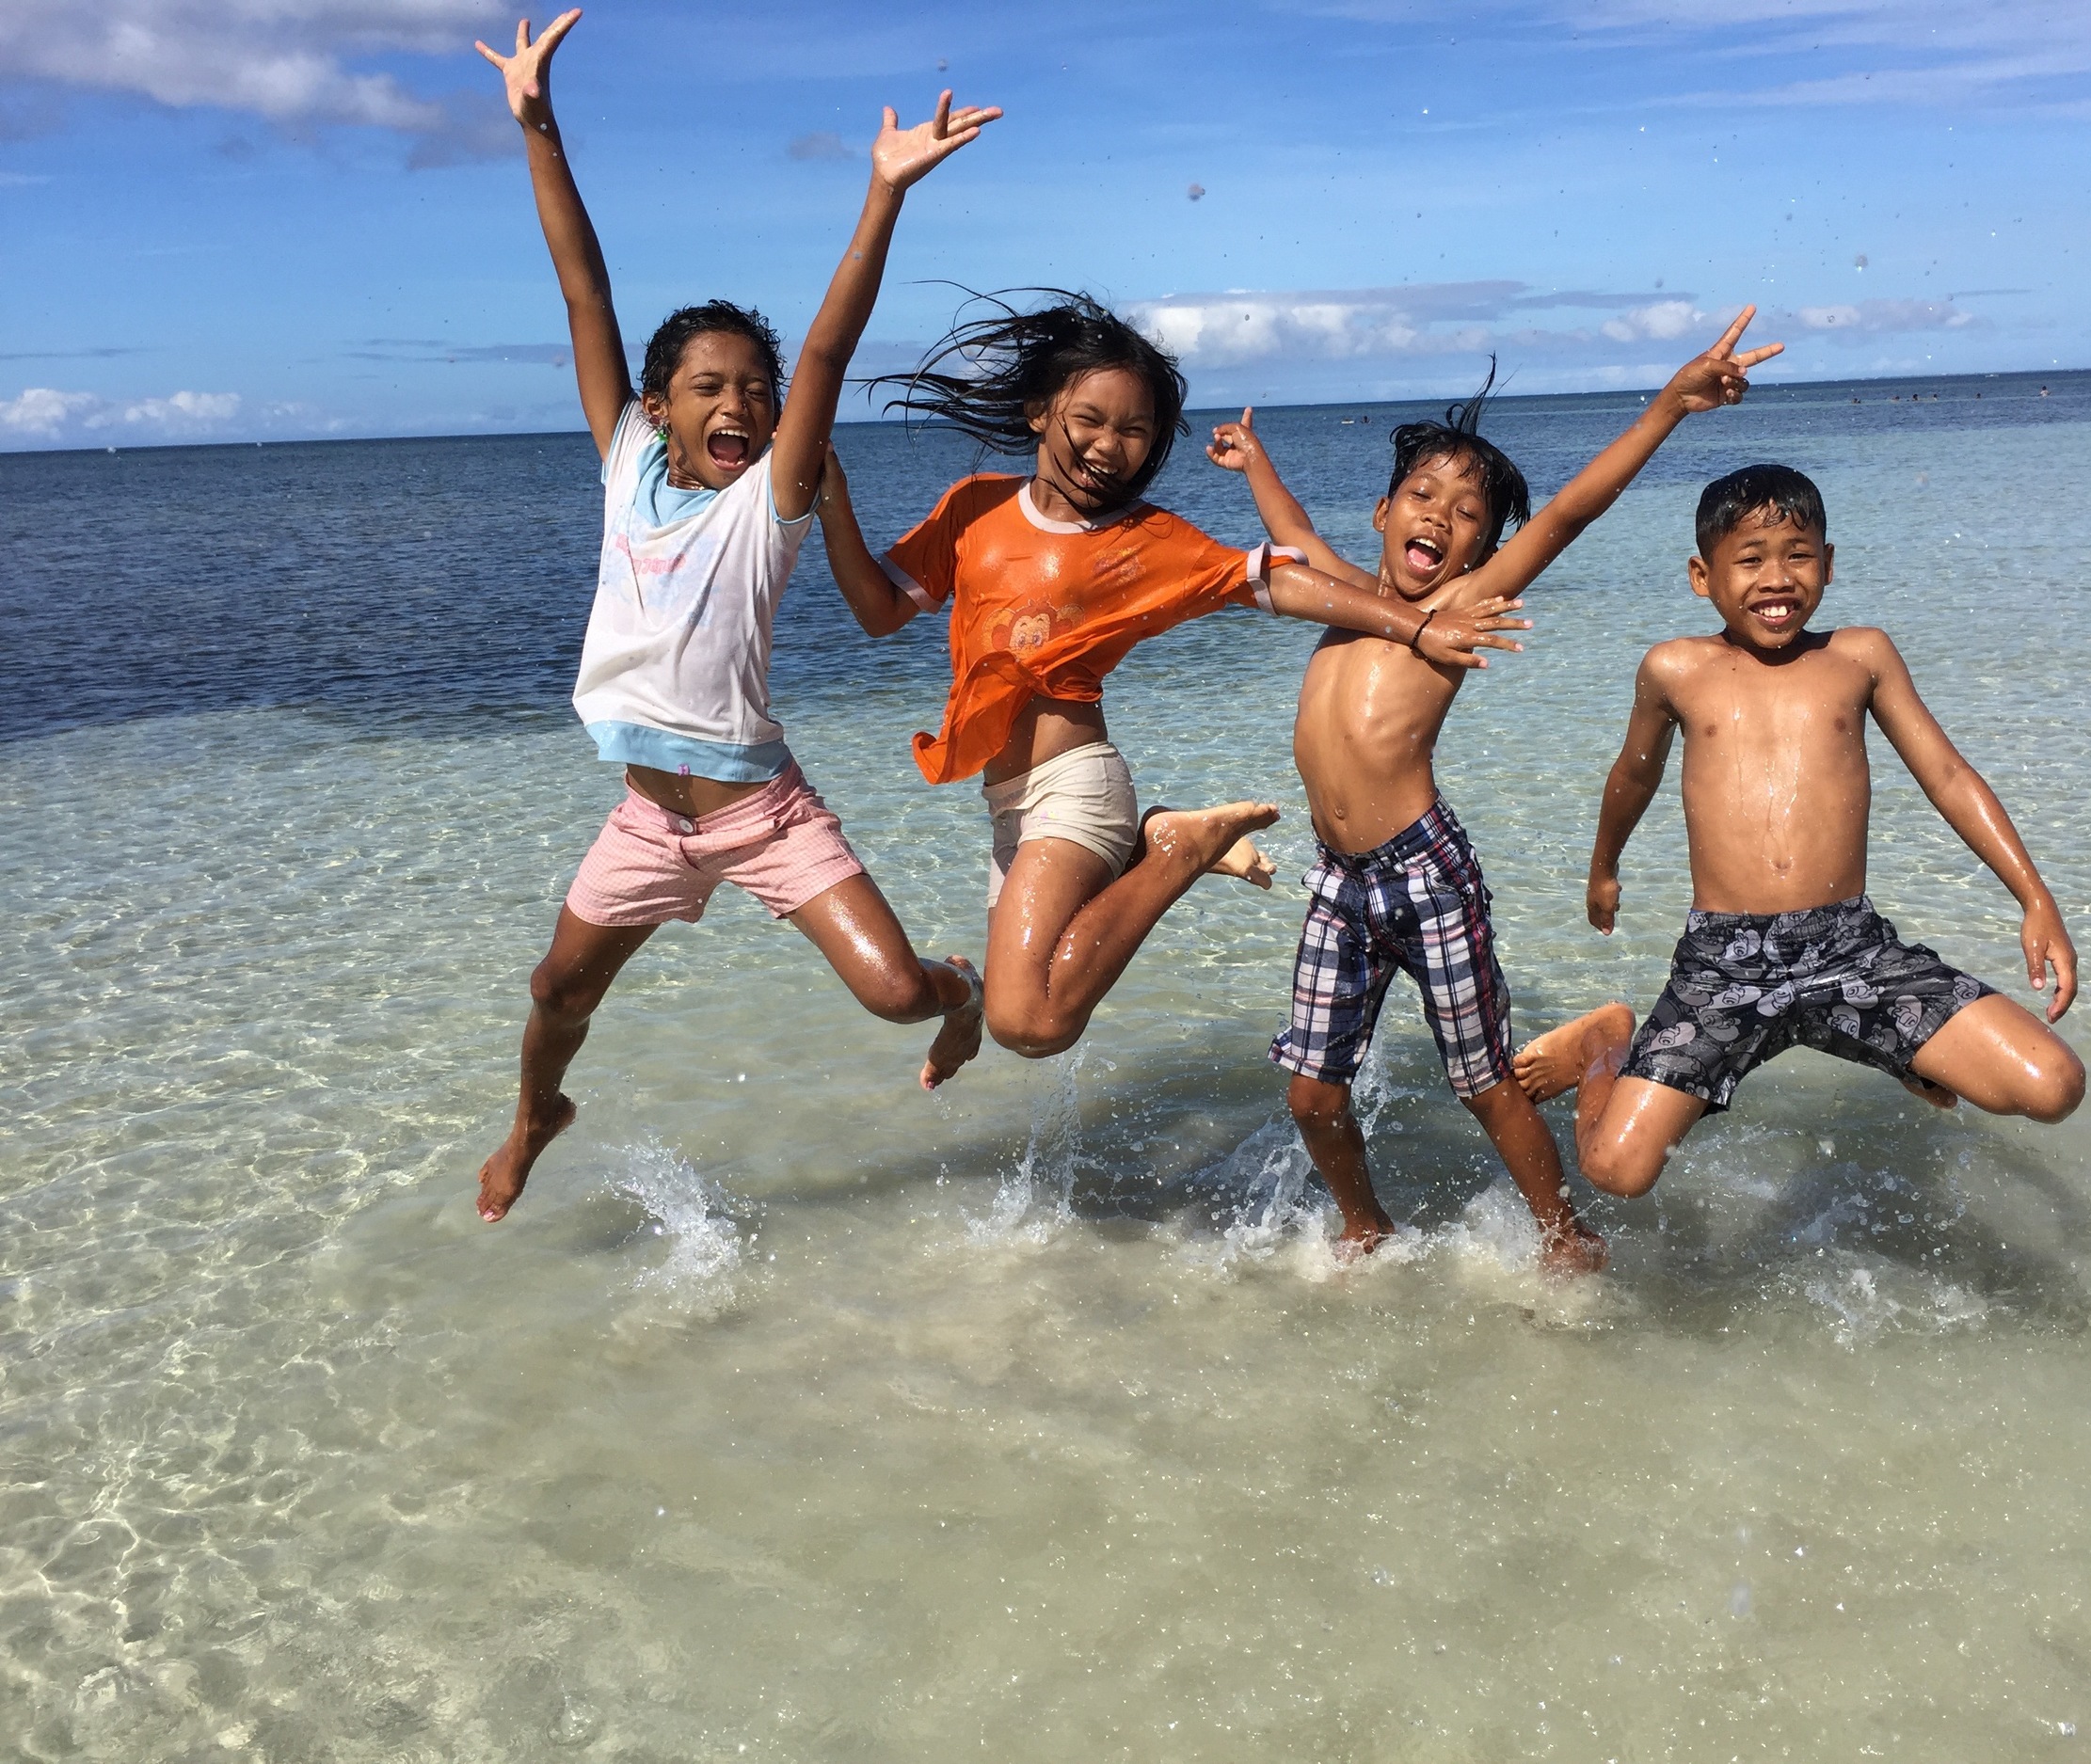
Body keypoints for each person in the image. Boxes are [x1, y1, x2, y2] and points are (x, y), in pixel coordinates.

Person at [471, 11, 1000, 1222]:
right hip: (648, 819)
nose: (741, 404)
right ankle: (535, 1115)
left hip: (761, 811)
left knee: (892, 996)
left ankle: (957, 989)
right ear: (659, 408)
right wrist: (539, 124)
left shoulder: (773, 500)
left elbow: (826, 345)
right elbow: (583, 286)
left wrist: (883, 198)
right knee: (557, 994)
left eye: (754, 393)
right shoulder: (625, 463)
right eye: (711, 387)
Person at [1206, 312, 1781, 1270]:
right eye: (1420, 495)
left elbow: (1567, 515)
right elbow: (1292, 533)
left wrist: (1670, 407)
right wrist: (1256, 460)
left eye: (1466, 513)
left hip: (1424, 873)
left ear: (1479, 550)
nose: (1437, 515)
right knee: (1310, 1091)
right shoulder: (1346, 594)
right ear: (1384, 514)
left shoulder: (1456, 609)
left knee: (1480, 1082)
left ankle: (1564, 1232)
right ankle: (1365, 1227)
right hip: (1338, 884)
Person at [811, 293, 1528, 1059]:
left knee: (1031, 1021)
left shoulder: (1145, 537)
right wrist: (832, 499)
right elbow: (881, 609)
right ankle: (1147, 853)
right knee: (1030, 1019)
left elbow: (1277, 578)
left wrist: (1415, 623)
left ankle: (1179, 848)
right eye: (1090, 420)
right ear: (1038, 412)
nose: (1110, 446)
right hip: (1006, 800)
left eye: (1134, 431)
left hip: (1074, 785)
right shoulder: (973, 507)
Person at [1511, 463, 2087, 1202]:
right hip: (1723, 964)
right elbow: (1633, 774)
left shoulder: (1859, 657)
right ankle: (1602, 1046)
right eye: (1750, 559)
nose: (1777, 578)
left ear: (1829, 563)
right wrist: (1603, 867)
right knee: (1614, 1170)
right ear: (1702, 574)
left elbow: (1947, 775)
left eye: (1798, 554)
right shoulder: (1676, 668)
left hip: (1852, 949)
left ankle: (1898, 1046)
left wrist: (2034, 897)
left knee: (2053, 1084)